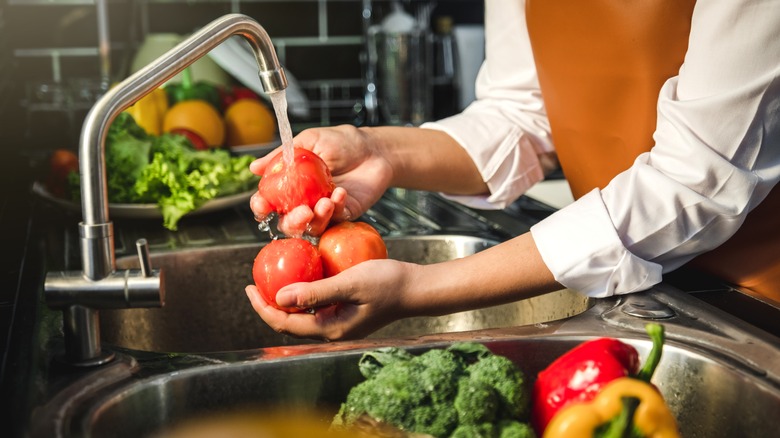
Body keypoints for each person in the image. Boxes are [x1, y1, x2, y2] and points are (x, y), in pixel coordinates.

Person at [245, 0, 780, 341]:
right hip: (632, 295)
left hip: (756, 307)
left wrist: (422, 289)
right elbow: (522, 115)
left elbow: (695, 179)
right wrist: (380, 151)